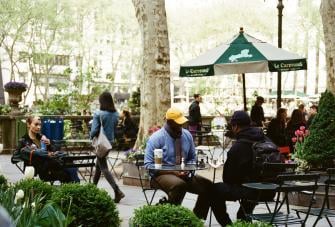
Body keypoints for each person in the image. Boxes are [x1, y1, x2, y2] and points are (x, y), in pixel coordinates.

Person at [144, 107, 212, 220]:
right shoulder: (156, 138)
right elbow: (148, 165)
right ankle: (169, 218)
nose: (182, 126)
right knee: (179, 185)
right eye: (178, 124)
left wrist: (188, 170)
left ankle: (197, 218)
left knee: (208, 185)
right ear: (169, 122)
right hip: (160, 175)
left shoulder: (187, 135)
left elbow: (191, 158)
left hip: (182, 173)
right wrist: (174, 172)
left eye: (182, 123)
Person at [210, 111, 266, 226]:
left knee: (214, 189)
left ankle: (228, 225)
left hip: (251, 191)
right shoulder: (265, 139)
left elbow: (228, 179)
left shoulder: (238, 147)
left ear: (235, 126)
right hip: (269, 190)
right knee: (248, 190)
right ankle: (244, 219)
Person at [16, 116, 80, 183]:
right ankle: (75, 185)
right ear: (28, 124)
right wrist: (31, 151)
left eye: (40, 125)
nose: (39, 127)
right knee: (66, 165)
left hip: (51, 166)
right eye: (36, 124)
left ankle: (73, 185)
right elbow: (15, 158)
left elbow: (53, 150)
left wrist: (49, 144)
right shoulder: (24, 140)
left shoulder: (42, 137)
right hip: (39, 169)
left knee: (66, 171)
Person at [90, 91, 125, 203]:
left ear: (102, 102)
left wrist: (91, 136)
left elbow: (94, 130)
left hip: (101, 143)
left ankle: (117, 191)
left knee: (103, 167)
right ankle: (91, 189)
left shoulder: (98, 114)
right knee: (98, 166)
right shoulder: (115, 114)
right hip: (109, 143)